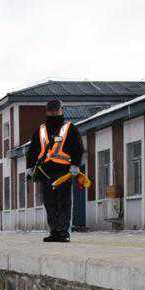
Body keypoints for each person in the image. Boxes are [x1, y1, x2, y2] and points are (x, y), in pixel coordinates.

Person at [25, 99, 85, 242]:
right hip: (45, 173)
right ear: (47, 112)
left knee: (64, 202)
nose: (54, 112)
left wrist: (75, 165)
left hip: (64, 172)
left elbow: (78, 147)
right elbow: (32, 150)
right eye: (52, 110)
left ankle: (63, 232)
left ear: (61, 110)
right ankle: (54, 232)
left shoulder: (70, 128)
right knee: (49, 203)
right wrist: (30, 167)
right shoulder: (40, 130)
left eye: (57, 109)